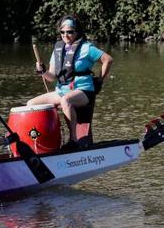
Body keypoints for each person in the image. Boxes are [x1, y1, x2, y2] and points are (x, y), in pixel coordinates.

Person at [28, 14, 113, 147]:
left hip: (83, 91)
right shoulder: (57, 49)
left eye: (69, 32)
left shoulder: (87, 47)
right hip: (61, 90)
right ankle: (43, 141)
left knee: (66, 100)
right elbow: (51, 77)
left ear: (77, 32)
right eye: (62, 32)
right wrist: (43, 71)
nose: (65, 35)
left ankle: (73, 140)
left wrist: (100, 80)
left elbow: (108, 60)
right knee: (31, 104)